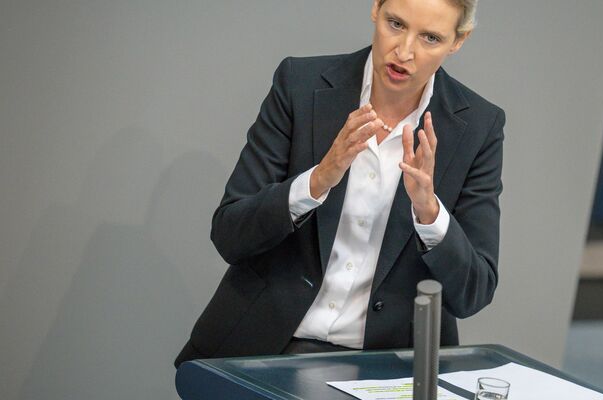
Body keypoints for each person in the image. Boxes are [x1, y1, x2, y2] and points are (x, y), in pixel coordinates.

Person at [175, 0, 505, 367]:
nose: (405, 51)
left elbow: (473, 293)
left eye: (430, 37)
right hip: (262, 349)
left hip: (384, 367)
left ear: (458, 40)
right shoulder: (299, 85)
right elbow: (229, 235)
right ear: (376, 8)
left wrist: (429, 212)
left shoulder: (479, 126)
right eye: (396, 24)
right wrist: (317, 180)